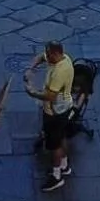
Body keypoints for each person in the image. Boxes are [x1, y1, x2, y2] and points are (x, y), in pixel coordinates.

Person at [26, 40, 75, 191]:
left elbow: (50, 96)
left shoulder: (60, 71)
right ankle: (64, 165)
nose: (46, 57)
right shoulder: (63, 58)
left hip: (54, 111)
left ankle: (56, 176)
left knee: (54, 144)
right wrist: (31, 68)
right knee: (62, 137)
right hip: (65, 108)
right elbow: (41, 57)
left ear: (56, 53)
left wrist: (32, 92)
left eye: (49, 54)